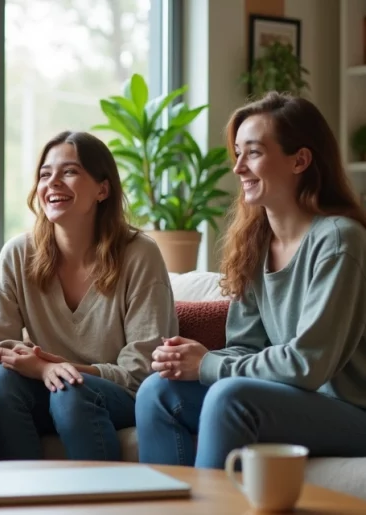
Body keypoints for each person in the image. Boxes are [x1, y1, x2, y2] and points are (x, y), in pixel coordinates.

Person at [135, 92, 366, 469]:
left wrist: (208, 365)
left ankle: (211, 502)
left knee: (230, 397)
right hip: (293, 400)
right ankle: (167, 501)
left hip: (350, 411)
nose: (239, 167)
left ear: (300, 160)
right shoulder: (256, 245)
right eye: (237, 153)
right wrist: (190, 358)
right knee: (158, 391)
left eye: (253, 153)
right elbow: (246, 347)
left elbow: (308, 364)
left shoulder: (339, 240)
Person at [0, 130, 177, 461]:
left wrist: (62, 369)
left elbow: (143, 369)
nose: (52, 183)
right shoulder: (18, 253)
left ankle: (99, 493)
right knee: (0, 381)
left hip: (118, 395)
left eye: (69, 171)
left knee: (70, 390)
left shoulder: (140, 254)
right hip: (47, 389)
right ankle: (24, 490)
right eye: (45, 174)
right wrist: (41, 369)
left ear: (102, 189)